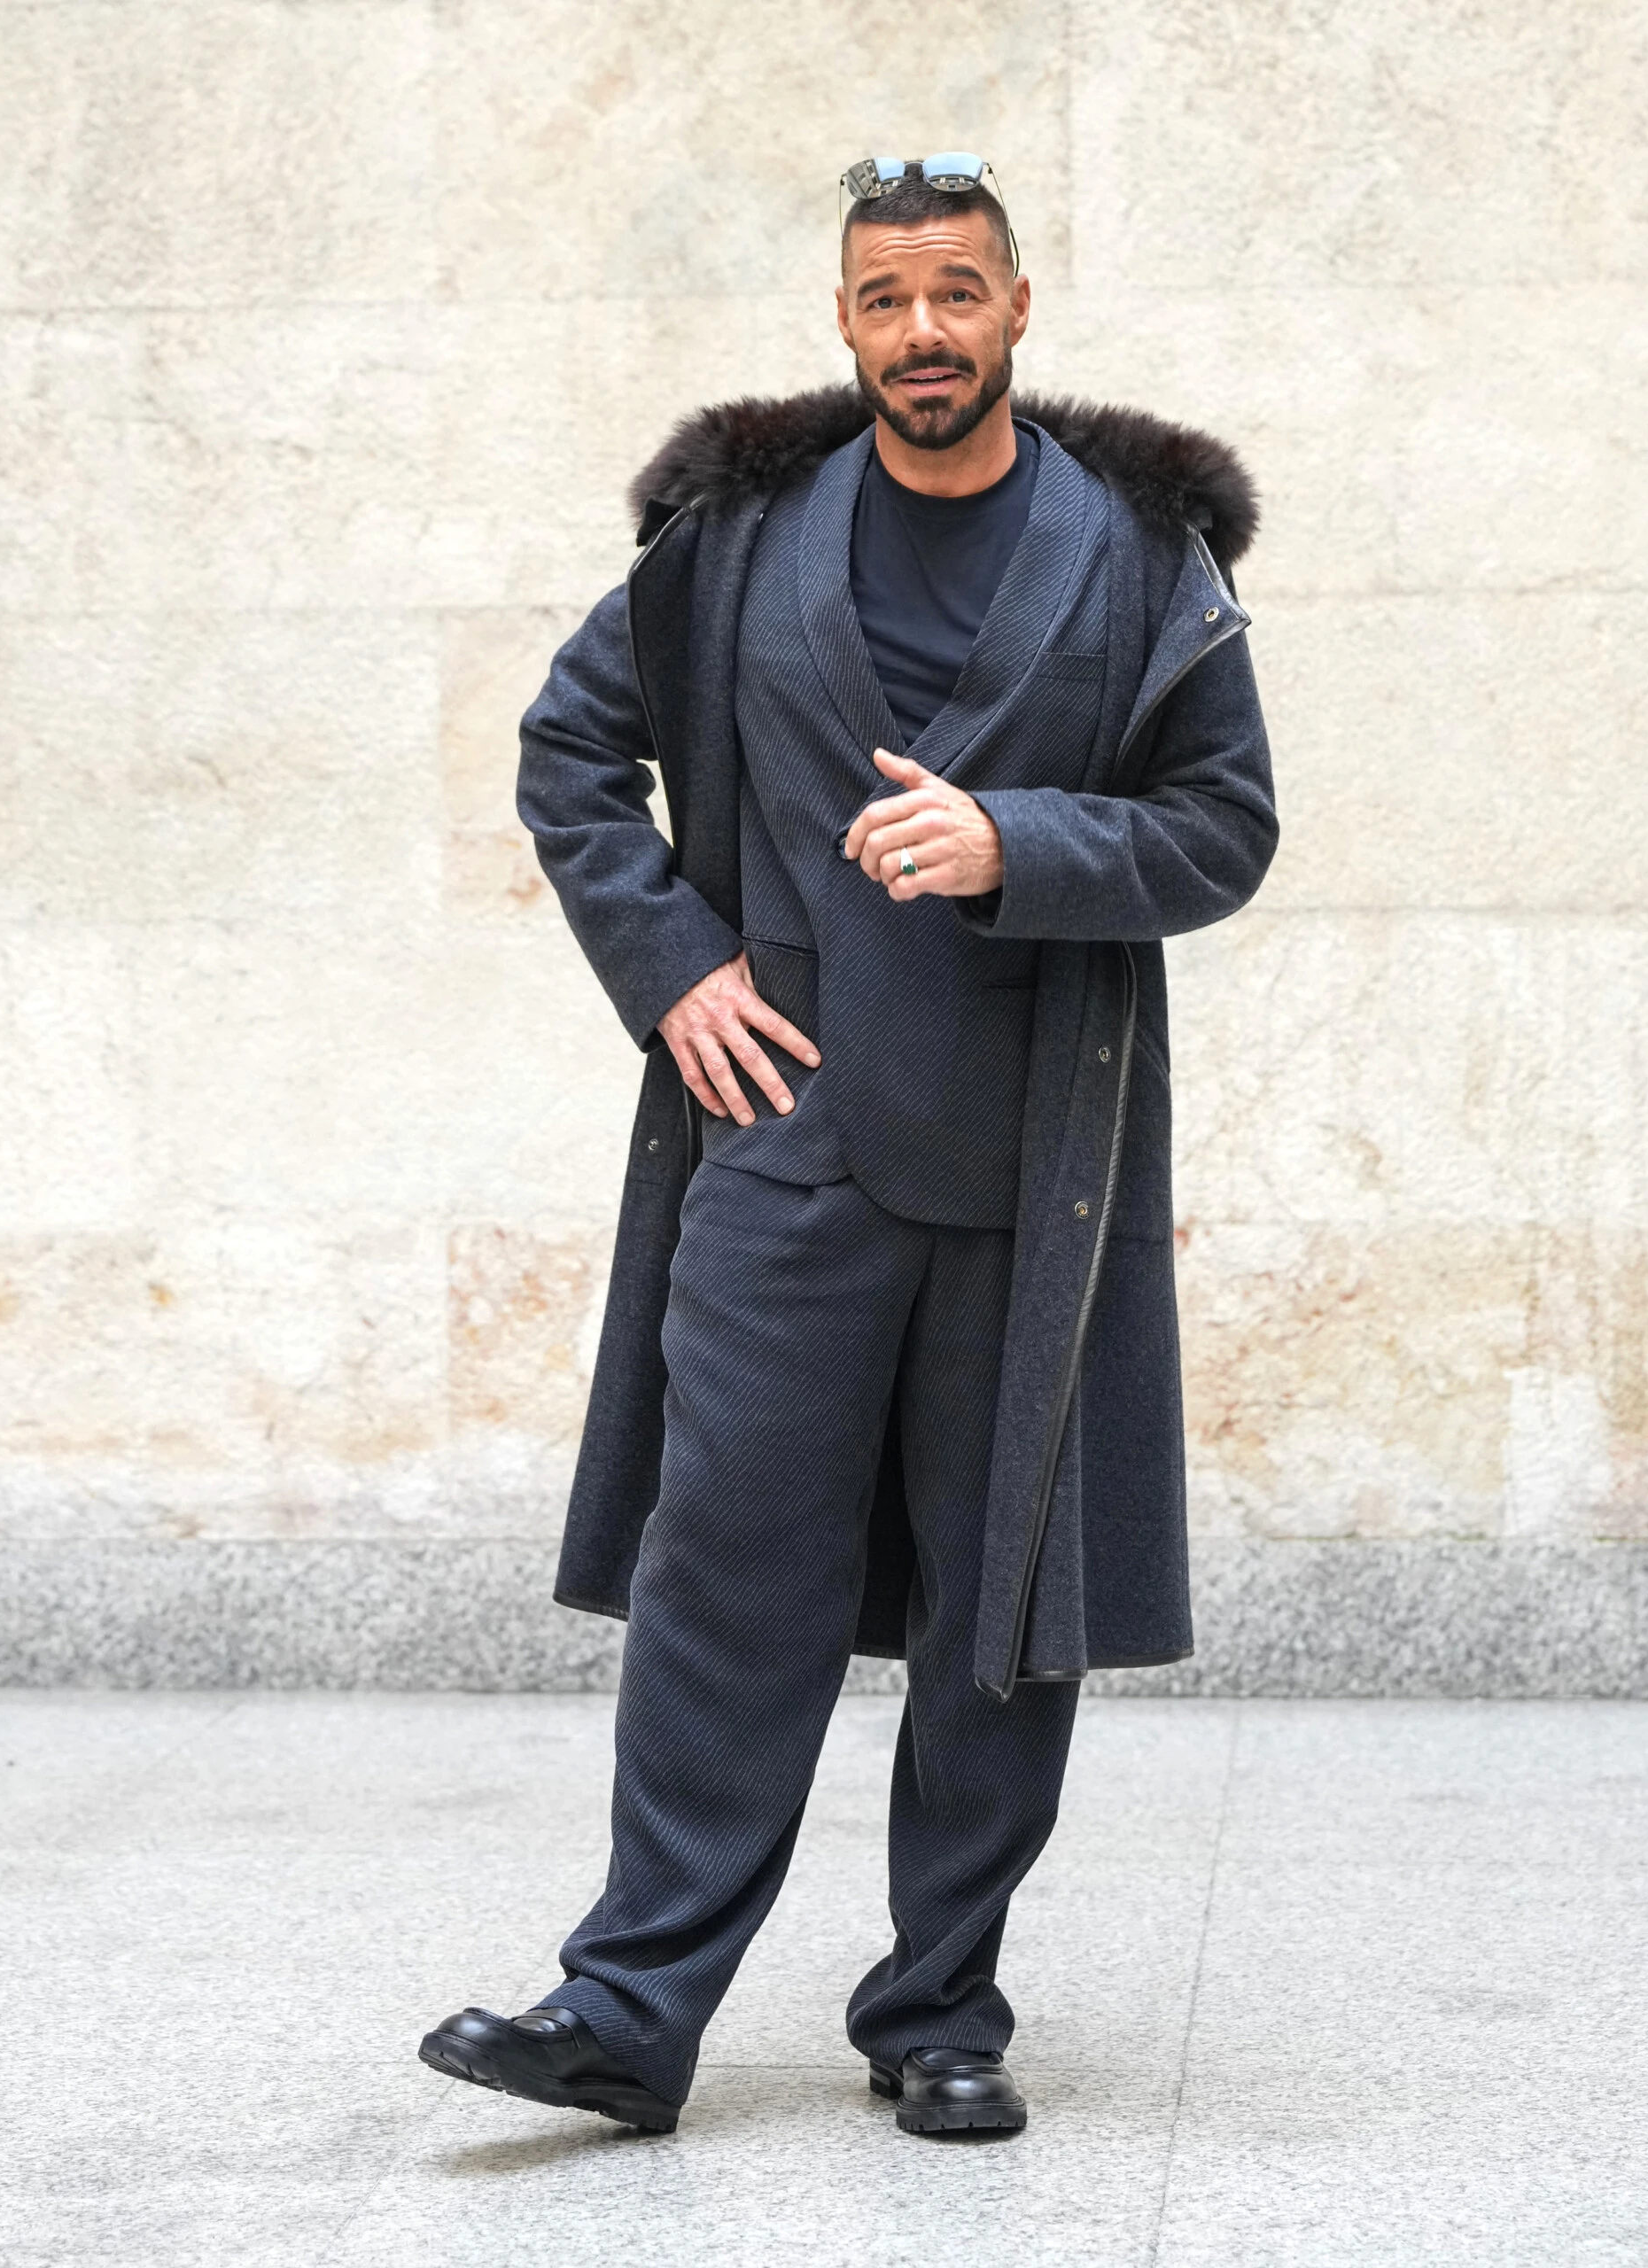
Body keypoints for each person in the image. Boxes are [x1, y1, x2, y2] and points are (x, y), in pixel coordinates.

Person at [420, 154, 1276, 2139]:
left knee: (997, 1609)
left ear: (1018, 306)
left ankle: (939, 2009)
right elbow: (570, 750)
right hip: (779, 1140)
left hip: (1024, 1166)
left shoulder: (1138, 557)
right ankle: (629, 2010)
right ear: (843, 320)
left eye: (957, 291)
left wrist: (1017, 842)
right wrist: (673, 969)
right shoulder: (733, 539)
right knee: (720, 1574)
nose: (923, 331)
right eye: (886, 298)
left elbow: (1224, 827)